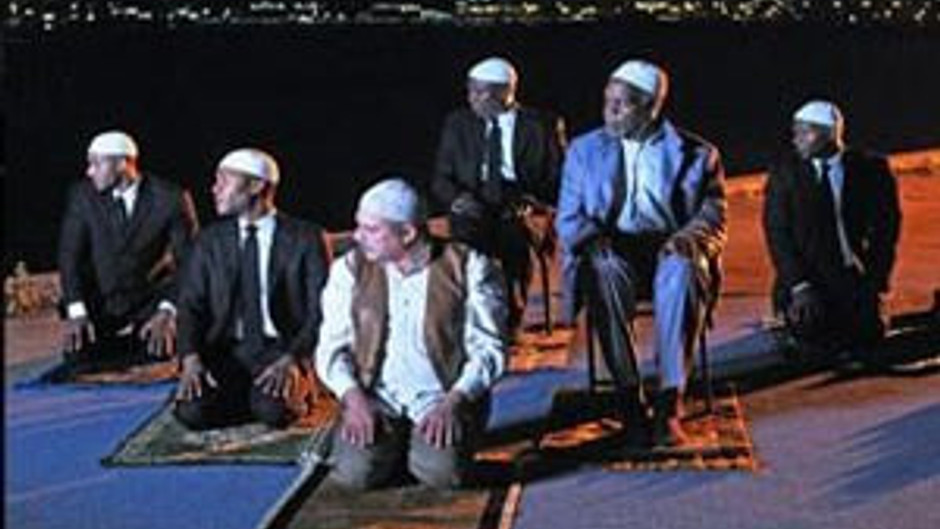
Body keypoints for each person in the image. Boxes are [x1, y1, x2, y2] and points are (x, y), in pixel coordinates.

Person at [555, 60, 727, 446]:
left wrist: (689, 238)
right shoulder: (584, 150)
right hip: (611, 247)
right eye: (608, 101)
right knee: (604, 269)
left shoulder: (697, 154)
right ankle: (629, 398)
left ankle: (669, 401)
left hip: (669, 246)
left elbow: (713, 215)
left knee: (684, 269)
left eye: (623, 103)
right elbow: (568, 217)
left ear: (651, 107)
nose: (611, 111)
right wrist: (592, 240)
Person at [316, 178, 507, 490]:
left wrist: (454, 402)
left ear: (407, 233)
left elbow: (489, 350)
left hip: (441, 397)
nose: (358, 237)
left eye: (371, 229)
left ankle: (418, 449)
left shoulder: (470, 266)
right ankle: (393, 446)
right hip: (377, 398)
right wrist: (353, 398)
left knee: (442, 474)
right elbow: (331, 348)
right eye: (358, 226)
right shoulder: (349, 269)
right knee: (355, 474)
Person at [174, 148, 329, 430]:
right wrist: (191, 358)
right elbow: (190, 306)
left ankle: (292, 390)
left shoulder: (305, 238)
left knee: (273, 412)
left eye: (224, 181)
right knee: (192, 413)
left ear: (257, 185)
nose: (214, 189)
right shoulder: (210, 241)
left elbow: (322, 310)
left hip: (280, 350)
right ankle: (246, 395)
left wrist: (294, 358)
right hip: (226, 350)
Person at [432, 56, 566, 331]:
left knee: (514, 236)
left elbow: (559, 180)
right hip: (472, 199)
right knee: (469, 244)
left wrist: (534, 202)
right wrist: (456, 199)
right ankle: (471, 321)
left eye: (480, 92)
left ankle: (508, 324)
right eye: (470, 90)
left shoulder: (541, 125)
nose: (472, 98)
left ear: (505, 93)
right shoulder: (458, 123)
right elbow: (441, 177)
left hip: (520, 201)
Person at [763, 100, 901, 361]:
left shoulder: (871, 169)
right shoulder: (786, 173)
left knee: (867, 340)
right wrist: (799, 286)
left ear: (828, 134)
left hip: (851, 276)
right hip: (809, 279)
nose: (795, 139)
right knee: (812, 343)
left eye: (804, 132)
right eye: (795, 131)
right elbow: (778, 233)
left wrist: (876, 283)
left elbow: (886, 230)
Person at [58, 130, 198, 371]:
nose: (89, 171)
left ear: (122, 164)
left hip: (149, 299)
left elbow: (189, 263)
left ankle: (140, 342)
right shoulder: (82, 195)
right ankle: (125, 347)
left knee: (162, 347)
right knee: (76, 358)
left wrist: (167, 312)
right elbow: (69, 257)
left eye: (96, 164)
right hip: (101, 300)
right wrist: (77, 311)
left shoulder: (170, 198)